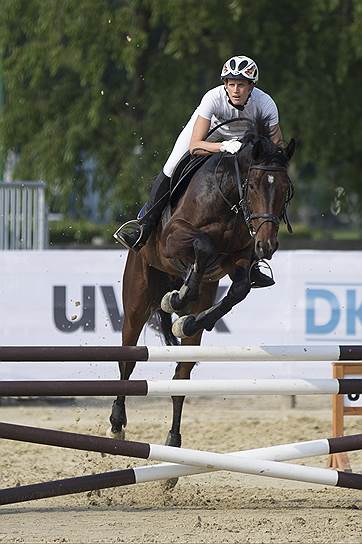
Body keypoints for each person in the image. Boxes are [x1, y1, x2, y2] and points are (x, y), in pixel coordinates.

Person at [114, 55, 284, 287]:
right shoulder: (213, 98)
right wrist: (222, 146)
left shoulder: (265, 104)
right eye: (231, 84)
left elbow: (276, 149)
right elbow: (195, 145)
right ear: (225, 84)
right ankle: (144, 226)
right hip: (210, 136)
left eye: (241, 85)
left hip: (244, 143)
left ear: (251, 87)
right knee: (173, 165)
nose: (235, 90)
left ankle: (252, 262)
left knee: (258, 185)